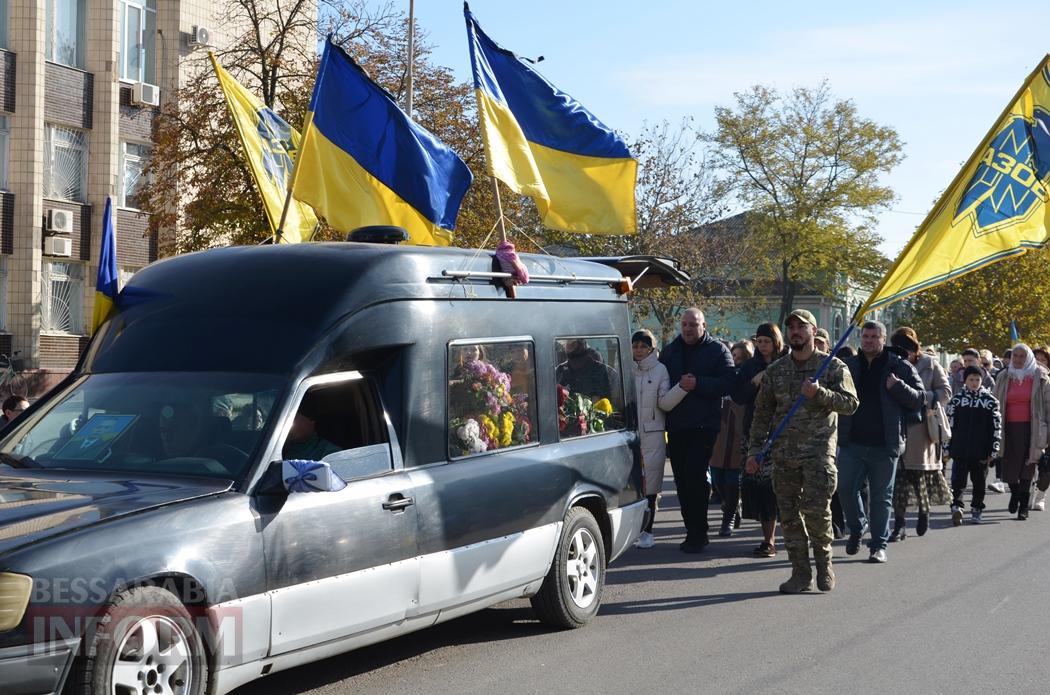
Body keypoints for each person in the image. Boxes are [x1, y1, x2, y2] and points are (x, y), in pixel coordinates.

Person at [745, 309, 857, 593]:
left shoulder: (832, 367)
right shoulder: (776, 372)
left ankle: (824, 565)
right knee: (790, 517)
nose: (795, 331)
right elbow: (761, 415)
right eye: (791, 327)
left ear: (813, 331)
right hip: (783, 456)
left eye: (801, 327)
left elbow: (851, 403)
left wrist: (820, 394)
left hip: (818, 454)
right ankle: (800, 572)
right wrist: (754, 452)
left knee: (818, 512)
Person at [837, 321, 926, 563]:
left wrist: (898, 387)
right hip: (851, 441)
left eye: (874, 336)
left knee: (881, 497)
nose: (868, 340)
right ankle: (857, 527)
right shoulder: (848, 366)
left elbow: (919, 399)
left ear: (883, 339)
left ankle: (878, 546)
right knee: (845, 489)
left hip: (885, 444)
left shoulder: (899, 366)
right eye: (865, 336)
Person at [659, 308, 737, 553]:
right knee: (682, 481)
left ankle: (698, 532)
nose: (688, 329)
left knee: (695, 477)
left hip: (704, 425)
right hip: (677, 426)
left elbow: (729, 382)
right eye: (684, 324)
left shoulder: (717, 350)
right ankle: (691, 529)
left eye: (693, 324)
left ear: (704, 325)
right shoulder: (670, 351)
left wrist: (698, 384)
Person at [888, 327, 953, 540]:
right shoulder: (891, 362)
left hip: (921, 428)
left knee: (918, 477)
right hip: (897, 425)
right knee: (899, 479)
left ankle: (924, 512)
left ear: (915, 349)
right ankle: (898, 525)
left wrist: (919, 397)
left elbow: (946, 392)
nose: (904, 355)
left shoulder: (930, 364)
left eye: (907, 350)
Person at [734, 323, 787, 557]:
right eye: (760, 341)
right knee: (762, 486)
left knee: (784, 485)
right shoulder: (749, 366)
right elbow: (738, 396)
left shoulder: (788, 362)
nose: (763, 346)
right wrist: (755, 381)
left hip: (785, 431)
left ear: (776, 341)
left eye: (767, 341)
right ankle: (769, 539)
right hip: (755, 431)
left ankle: (793, 535)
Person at [992, 343, 1050, 520]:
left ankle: (1023, 505)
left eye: (1021, 356)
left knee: (1028, 466)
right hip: (1007, 428)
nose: (1017, 359)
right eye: (1015, 356)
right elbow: (994, 402)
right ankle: (1015, 493)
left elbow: (1048, 406)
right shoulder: (1003, 376)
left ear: (1028, 359)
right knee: (1009, 466)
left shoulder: (1041, 378)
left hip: (1032, 429)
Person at [631, 329, 672, 549]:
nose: (638, 350)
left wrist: (681, 390)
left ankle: (648, 531)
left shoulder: (660, 370)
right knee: (632, 485)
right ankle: (631, 532)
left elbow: (664, 402)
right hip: (630, 434)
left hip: (653, 433)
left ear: (651, 348)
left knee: (651, 486)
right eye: (635, 346)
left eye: (643, 346)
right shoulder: (627, 368)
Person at [946, 366, 1002, 524]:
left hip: (981, 450)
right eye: (971, 379)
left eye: (977, 379)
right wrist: (946, 447)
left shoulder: (990, 402)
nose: (974, 382)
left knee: (979, 482)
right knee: (958, 481)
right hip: (960, 449)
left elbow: (996, 427)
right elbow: (949, 426)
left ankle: (977, 508)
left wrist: (994, 449)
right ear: (965, 380)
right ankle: (957, 507)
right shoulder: (956, 400)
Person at [710, 340, 752, 537]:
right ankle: (731, 507)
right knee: (717, 478)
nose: (736, 360)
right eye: (733, 356)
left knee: (733, 480)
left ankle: (726, 520)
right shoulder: (722, 374)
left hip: (739, 433)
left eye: (740, 357)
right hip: (719, 432)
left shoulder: (747, 378)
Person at [282, 396, 341, 461]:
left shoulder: (330, 453)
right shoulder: (280, 448)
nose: (287, 424)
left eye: (294, 419)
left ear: (311, 420)